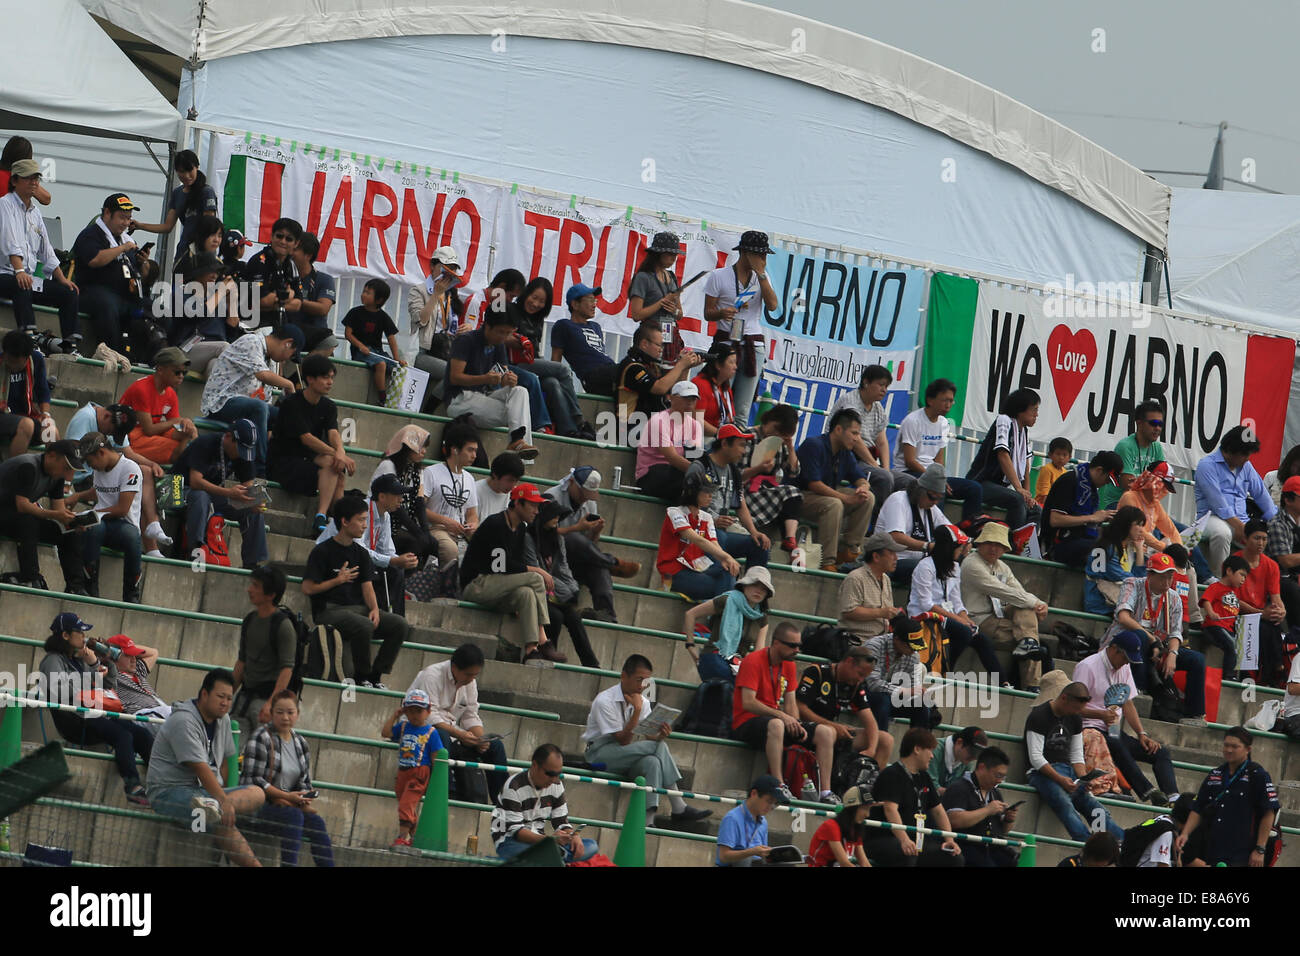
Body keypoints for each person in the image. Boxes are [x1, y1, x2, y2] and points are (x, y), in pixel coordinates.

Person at [146, 668, 266, 867]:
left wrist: (223, 798)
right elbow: (200, 767)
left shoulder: (224, 720)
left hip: (204, 793)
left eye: (229, 698)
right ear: (204, 694)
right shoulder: (183, 720)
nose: (225, 703)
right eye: (220, 696)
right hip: (168, 795)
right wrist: (223, 802)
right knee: (215, 815)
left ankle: (216, 807)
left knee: (257, 793)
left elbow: (228, 761)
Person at [582, 654, 713, 826]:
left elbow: (648, 735)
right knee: (658, 748)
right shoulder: (604, 700)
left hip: (624, 754)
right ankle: (678, 805)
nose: (642, 686)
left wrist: (660, 735)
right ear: (624, 676)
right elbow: (623, 740)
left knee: (653, 762)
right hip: (599, 754)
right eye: (639, 680)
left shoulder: (642, 701)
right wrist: (636, 711)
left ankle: (648, 821)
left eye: (646, 681)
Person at [39, 612, 152, 805]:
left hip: (94, 713)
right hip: (74, 720)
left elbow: (109, 689)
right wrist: (91, 671)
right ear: (65, 635)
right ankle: (133, 786)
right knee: (123, 736)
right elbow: (62, 692)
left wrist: (105, 661)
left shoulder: (81, 660)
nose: (84, 638)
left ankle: (159, 783)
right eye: (80, 633)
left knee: (142, 734)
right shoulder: (52, 661)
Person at [301, 494, 411, 687]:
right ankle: (361, 676)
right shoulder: (322, 551)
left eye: (365, 520)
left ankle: (377, 675)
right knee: (364, 625)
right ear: (344, 521)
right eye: (360, 520)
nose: (365, 525)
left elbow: (367, 586)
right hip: (329, 610)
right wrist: (337, 580)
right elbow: (308, 588)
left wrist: (375, 609)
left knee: (399, 624)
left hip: (357, 608)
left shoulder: (360, 553)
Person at [732, 622, 836, 803]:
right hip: (747, 722)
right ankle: (778, 784)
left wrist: (796, 723)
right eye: (792, 645)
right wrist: (781, 715)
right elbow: (747, 702)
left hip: (773, 721)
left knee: (826, 732)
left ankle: (825, 792)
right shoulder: (753, 661)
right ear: (776, 643)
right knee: (777, 724)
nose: (797, 650)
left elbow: (790, 703)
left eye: (799, 646)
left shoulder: (789, 664)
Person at [1101, 551, 1208, 725]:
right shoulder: (1132, 584)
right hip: (1125, 643)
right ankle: (1139, 690)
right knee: (1138, 637)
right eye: (1162, 578)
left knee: (1197, 659)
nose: (1167, 583)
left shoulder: (1174, 598)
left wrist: (1172, 654)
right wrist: (1152, 639)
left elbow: (1175, 633)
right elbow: (1124, 617)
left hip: (1159, 647)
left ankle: (1195, 713)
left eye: (1170, 577)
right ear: (1149, 575)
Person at [460, 482, 563, 662]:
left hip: (497, 586)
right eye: (532, 505)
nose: (537, 511)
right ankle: (544, 640)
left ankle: (531, 650)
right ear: (517, 503)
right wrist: (537, 569)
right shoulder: (496, 523)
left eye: (538, 506)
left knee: (526, 594)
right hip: (476, 584)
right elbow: (501, 566)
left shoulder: (521, 528)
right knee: (536, 579)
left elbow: (514, 564)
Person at [1073, 630, 1178, 806]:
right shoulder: (1087, 666)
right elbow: (1074, 706)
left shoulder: (1124, 667)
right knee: (1116, 743)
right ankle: (1148, 791)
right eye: (1125, 658)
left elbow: (1127, 703)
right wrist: (1100, 714)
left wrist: (1141, 733)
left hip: (1113, 730)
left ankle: (1174, 796)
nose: (1125, 663)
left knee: (1160, 752)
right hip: (1090, 729)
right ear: (1114, 649)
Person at [406, 643, 510, 804]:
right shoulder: (431, 676)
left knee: (495, 746)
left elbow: (470, 715)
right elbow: (428, 716)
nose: (471, 679)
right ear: (454, 667)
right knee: (439, 736)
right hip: (419, 732)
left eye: (475, 675)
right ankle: (444, 793)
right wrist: (461, 734)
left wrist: (480, 739)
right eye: (469, 674)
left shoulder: (470, 682)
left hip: (452, 733)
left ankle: (505, 803)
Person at [239, 690, 333, 867]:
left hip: (289, 806)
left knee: (317, 823)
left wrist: (304, 798)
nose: (285, 717)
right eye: (280, 712)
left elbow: (304, 782)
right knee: (294, 817)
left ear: (297, 714)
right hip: (259, 806)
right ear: (272, 713)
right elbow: (254, 781)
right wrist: (285, 797)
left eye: (290, 712)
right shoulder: (261, 737)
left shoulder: (301, 743)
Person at [1024, 681, 1124, 842]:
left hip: (1068, 772)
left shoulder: (1075, 717)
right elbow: (1035, 758)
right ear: (1064, 698)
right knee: (1064, 803)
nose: (1078, 712)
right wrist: (1060, 780)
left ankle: (1120, 841)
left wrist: (1085, 779)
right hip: (1042, 773)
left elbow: (1076, 755)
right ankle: (1086, 843)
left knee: (1095, 808)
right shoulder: (1039, 715)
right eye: (1076, 708)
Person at [908, 524, 1006, 685]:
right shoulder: (925, 567)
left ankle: (1003, 682)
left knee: (982, 639)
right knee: (963, 632)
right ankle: (944, 671)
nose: (962, 550)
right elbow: (926, 604)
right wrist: (958, 620)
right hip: (925, 617)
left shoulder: (954, 567)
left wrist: (965, 617)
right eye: (959, 547)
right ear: (948, 547)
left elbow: (956, 600)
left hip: (946, 615)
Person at [269, 353, 354, 536]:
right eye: (325, 377)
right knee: (335, 464)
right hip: (284, 461)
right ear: (310, 379)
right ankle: (335, 520)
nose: (330, 382)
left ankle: (325, 517)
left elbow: (333, 432)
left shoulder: (329, 406)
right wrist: (337, 454)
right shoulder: (292, 403)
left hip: (308, 458)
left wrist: (340, 451)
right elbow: (306, 438)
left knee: (336, 465)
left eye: (331, 377)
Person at [701, 230, 780, 422]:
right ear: (745, 253)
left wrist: (761, 274)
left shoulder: (762, 278)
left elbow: (773, 306)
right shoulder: (719, 276)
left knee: (742, 409)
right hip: (727, 342)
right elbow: (707, 313)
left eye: (764, 254)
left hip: (754, 345)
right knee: (720, 401)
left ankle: (737, 445)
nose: (763, 258)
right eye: (759, 254)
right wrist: (721, 313)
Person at [199, 325, 304, 468]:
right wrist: (289, 384)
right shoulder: (251, 341)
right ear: (288, 343)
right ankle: (259, 467)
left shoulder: (270, 359)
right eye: (291, 355)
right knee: (259, 408)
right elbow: (262, 375)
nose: (286, 360)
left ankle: (283, 464)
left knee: (286, 416)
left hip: (246, 406)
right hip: (221, 403)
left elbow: (265, 398)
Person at [544, 465, 639, 623]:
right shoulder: (552, 497)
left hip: (572, 560)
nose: (585, 498)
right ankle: (612, 562)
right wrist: (576, 528)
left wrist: (595, 532)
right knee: (572, 538)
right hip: (550, 557)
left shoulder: (589, 504)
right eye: (583, 493)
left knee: (597, 564)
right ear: (572, 482)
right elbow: (543, 534)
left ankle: (606, 612)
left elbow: (588, 545)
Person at [1175, 727, 1280, 867]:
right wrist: (1185, 834)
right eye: (1226, 745)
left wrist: (1260, 849)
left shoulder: (1258, 775)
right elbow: (1198, 807)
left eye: (1235, 746)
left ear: (1247, 749)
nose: (1229, 750)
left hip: (1243, 851)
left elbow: (1269, 813)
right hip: (1214, 848)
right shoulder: (1215, 774)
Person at [171, 419, 268, 569]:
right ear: (228, 436)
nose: (241, 453)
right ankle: (196, 551)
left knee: (252, 508)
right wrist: (229, 493)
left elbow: (249, 485)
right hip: (176, 489)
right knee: (200, 496)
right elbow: (195, 481)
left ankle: (252, 562)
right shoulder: (206, 443)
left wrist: (257, 502)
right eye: (239, 448)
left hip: (209, 495)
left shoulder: (243, 454)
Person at [444, 307, 538, 460]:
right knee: (517, 414)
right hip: (459, 400)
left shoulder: (499, 344)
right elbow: (455, 377)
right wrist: (485, 378)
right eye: (501, 332)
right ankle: (518, 451)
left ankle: (517, 441)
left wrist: (508, 379)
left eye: (508, 333)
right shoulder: (466, 340)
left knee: (520, 391)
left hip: (483, 396)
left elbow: (504, 374)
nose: (504, 337)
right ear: (487, 326)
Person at [316, 476, 419, 616]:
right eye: (397, 495)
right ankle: (380, 616)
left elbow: (387, 550)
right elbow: (360, 550)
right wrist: (392, 561)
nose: (401, 499)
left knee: (396, 570)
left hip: (354, 556)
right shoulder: (361, 511)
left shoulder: (386, 516)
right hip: (332, 556)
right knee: (384, 570)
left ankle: (395, 617)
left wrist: (402, 560)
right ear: (382, 497)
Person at [0, 158, 79, 336]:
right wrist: (19, 271)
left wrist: (62, 279)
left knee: (68, 293)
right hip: (4, 274)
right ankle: (29, 337)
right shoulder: (4, 205)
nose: (34, 182)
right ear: (14, 181)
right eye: (28, 178)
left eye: (36, 178)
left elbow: (47, 250)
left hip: (26, 279)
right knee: (22, 285)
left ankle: (70, 344)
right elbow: (9, 242)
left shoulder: (35, 212)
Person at [864, 727, 964, 867]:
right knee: (908, 854)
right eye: (930, 751)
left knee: (953, 858)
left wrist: (949, 839)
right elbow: (890, 810)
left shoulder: (924, 776)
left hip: (915, 842)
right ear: (917, 749)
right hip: (885, 839)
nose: (932, 756)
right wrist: (903, 839)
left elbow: (938, 811)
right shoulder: (892, 774)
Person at [509, 276, 594, 440]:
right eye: (534, 298)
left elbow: (536, 349)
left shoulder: (537, 319)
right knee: (562, 369)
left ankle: (568, 430)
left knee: (552, 383)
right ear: (526, 294)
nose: (535, 304)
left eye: (541, 301)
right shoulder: (512, 311)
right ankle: (579, 420)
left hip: (530, 362)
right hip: (514, 362)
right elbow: (501, 339)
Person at [792, 408, 875, 572]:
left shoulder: (845, 452)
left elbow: (859, 477)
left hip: (825, 496)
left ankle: (850, 550)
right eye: (854, 433)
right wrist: (845, 498)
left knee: (868, 497)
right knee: (834, 503)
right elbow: (813, 484)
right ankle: (827, 560)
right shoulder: (813, 445)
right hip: (799, 497)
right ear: (838, 429)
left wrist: (863, 488)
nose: (858, 439)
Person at [0, 439, 88, 592]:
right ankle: (29, 576)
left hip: (17, 518)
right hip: (7, 513)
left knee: (69, 533)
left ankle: (76, 586)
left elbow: (58, 508)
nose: (67, 474)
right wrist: (57, 514)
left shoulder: (57, 476)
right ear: (52, 455)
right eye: (66, 467)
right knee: (28, 521)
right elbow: (22, 505)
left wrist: (71, 522)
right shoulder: (28, 466)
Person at [960, 522, 1050, 669]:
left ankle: (1029, 643)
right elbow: (1001, 590)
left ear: (1004, 549)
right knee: (1033, 642)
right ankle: (1032, 685)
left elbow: (1019, 592)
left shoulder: (1002, 566)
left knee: (1026, 612)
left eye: (999, 545)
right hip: (978, 620)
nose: (994, 548)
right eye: (990, 543)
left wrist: (1037, 604)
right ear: (981, 543)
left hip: (999, 616)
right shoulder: (972, 564)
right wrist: (1037, 603)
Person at [1194, 424, 1276, 585]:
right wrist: (1240, 526)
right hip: (1209, 519)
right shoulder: (1206, 465)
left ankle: (1260, 588)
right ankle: (1221, 581)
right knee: (1222, 533)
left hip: (1241, 521)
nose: (1247, 458)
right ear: (1230, 450)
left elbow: (1262, 495)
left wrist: (1276, 522)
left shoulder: (1246, 466)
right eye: (1244, 454)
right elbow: (1218, 503)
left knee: (1269, 537)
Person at [490, 743, 598, 862]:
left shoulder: (556, 784)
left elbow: (561, 822)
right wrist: (550, 841)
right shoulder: (513, 786)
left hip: (541, 841)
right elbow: (517, 832)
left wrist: (573, 835)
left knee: (591, 845)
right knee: (536, 853)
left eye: (558, 774)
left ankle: (555, 856)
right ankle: (556, 856)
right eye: (550, 774)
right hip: (509, 840)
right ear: (535, 765)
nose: (554, 779)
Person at [685, 423, 771, 570]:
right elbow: (688, 506)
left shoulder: (734, 471)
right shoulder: (700, 467)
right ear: (725, 443)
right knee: (721, 538)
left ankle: (751, 587)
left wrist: (754, 532)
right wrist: (713, 521)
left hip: (720, 534)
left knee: (760, 545)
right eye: (741, 445)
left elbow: (740, 503)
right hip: (699, 534)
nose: (744, 451)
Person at [794, 643, 894, 769]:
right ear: (849, 661)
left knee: (886, 740)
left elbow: (870, 721)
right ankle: (825, 787)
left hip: (834, 730)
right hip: (809, 729)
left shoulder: (855, 684)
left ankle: (869, 786)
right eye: (860, 674)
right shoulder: (817, 672)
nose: (861, 680)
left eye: (864, 677)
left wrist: (871, 749)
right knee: (828, 732)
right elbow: (799, 706)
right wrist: (832, 726)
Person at [896, 378, 984, 520]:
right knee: (938, 488)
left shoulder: (943, 423)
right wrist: (937, 479)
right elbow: (909, 461)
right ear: (930, 400)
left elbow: (939, 461)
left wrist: (940, 477)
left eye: (951, 401)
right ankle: (936, 534)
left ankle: (970, 530)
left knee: (974, 488)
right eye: (945, 400)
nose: (948, 405)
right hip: (910, 473)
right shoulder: (913, 421)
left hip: (932, 473)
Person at [526, 499, 599, 667]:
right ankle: (548, 657)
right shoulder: (529, 538)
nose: (557, 518)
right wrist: (566, 592)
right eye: (554, 515)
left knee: (574, 618)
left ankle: (592, 664)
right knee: (556, 616)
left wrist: (573, 589)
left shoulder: (557, 539)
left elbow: (564, 568)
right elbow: (537, 572)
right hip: (537, 591)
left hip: (555, 593)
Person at [71, 193, 146, 352]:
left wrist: (143, 261)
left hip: (124, 296)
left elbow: (142, 274)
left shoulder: (126, 240)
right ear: (107, 213)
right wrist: (122, 249)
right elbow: (95, 259)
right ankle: (112, 352)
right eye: (122, 218)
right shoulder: (91, 235)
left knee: (154, 309)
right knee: (107, 305)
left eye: (128, 218)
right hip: (92, 292)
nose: (126, 223)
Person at [76, 433, 143, 603]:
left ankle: (131, 594)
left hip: (123, 525)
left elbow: (122, 509)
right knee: (94, 528)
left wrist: (92, 515)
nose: (91, 467)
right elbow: (99, 491)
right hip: (103, 523)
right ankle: (89, 588)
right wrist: (76, 497)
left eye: (91, 462)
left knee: (132, 537)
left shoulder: (130, 468)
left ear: (101, 453)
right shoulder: (100, 468)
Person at [231, 565, 296, 737]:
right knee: (232, 752)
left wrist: (271, 704)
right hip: (244, 697)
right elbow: (242, 661)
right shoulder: (250, 620)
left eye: (256, 586)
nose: (249, 589)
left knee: (264, 753)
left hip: (266, 700)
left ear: (271, 595)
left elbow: (286, 669)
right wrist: (228, 695)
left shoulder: (283, 626)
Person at [655, 471, 741, 601]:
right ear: (692, 492)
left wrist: (725, 559)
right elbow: (697, 539)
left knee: (729, 570)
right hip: (674, 572)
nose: (710, 496)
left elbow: (714, 543)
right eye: (706, 492)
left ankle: (718, 617)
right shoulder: (674, 513)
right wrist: (727, 556)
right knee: (719, 587)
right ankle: (718, 617)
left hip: (697, 567)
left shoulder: (706, 518)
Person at [614, 320, 702, 444]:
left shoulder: (650, 366)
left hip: (652, 424)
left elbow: (676, 390)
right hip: (630, 428)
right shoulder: (632, 367)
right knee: (675, 440)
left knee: (691, 436)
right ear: (644, 344)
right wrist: (681, 364)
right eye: (659, 345)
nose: (661, 350)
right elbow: (659, 388)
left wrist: (686, 367)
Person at [966, 387, 1042, 531]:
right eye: (1034, 410)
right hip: (981, 483)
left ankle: (1028, 546)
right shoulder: (1004, 421)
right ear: (1020, 409)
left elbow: (1025, 465)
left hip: (1000, 487)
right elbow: (1003, 454)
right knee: (1017, 499)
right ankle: (1011, 544)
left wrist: (1028, 494)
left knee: (1035, 509)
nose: (1036, 415)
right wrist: (1019, 489)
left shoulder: (1024, 431)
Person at [825, 364, 899, 506]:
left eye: (887, 386)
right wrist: (876, 466)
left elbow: (882, 442)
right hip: (846, 456)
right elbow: (855, 440)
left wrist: (886, 468)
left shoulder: (878, 408)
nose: (884, 390)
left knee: (908, 482)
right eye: (881, 385)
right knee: (884, 478)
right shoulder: (851, 401)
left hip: (867, 459)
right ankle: (876, 524)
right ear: (866, 382)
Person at [420, 421, 479, 594]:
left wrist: (473, 525)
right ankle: (449, 592)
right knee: (451, 550)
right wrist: (446, 522)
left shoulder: (469, 478)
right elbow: (419, 508)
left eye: (475, 450)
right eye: (470, 450)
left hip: (460, 531)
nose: (474, 455)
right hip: (436, 529)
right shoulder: (431, 472)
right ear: (454, 450)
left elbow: (472, 514)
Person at [684, 567, 774, 680]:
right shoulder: (727, 600)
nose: (759, 591)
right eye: (754, 585)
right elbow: (690, 614)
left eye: (764, 588)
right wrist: (690, 646)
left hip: (736, 665)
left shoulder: (762, 617)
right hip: (714, 656)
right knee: (733, 683)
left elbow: (758, 653)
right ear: (745, 585)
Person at [382, 688, 444, 848]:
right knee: (406, 804)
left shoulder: (432, 732)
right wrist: (395, 716)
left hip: (419, 772)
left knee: (406, 805)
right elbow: (386, 733)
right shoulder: (403, 726)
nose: (414, 715)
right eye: (410, 711)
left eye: (419, 711)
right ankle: (416, 838)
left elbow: (436, 756)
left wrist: (434, 778)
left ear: (428, 711)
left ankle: (402, 837)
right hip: (403, 771)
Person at [406, 246, 468, 404]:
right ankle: (429, 409)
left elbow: (448, 328)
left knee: (468, 371)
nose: (448, 273)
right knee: (453, 373)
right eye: (444, 267)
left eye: (452, 269)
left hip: (445, 352)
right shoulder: (418, 290)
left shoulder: (451, 295)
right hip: (423, 352)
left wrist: (465, 330)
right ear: (432, 266)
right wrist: (435, 295)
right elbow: (420, 320)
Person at [1039, 451, 1123, 567]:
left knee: (1114, 546)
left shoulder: (1091, 489)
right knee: (1101, 550)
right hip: (1058, 544)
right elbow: (1055, 520)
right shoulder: (1069, 481)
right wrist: (1092, 518)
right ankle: (1104, 582)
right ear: (1099, 470)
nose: (1106, 484)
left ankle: (1116, 579)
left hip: (1080, 540)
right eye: (1108, 480)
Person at [940, 745, 1019, 867]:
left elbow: (1003, 830)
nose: (1000, 781)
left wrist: (1008, 819)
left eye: (1003, 777)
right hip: (966, 846)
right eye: (998, 775)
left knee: (1017, 861)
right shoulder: (959, 788)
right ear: (981, 767)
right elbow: (954, 820)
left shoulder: (995, 793)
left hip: (992, 848)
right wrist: (987, 810)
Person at [738, 403, 803, 552]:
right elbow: (736, 476)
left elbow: (794, 472)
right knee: (789, 492)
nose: (777, 435)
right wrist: (759, 468)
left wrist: (790, 447)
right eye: (776, 430)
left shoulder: (780, 444)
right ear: (770, 422)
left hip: (766, 490)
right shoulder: (748, 437)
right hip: (746, 490)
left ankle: (790, 538)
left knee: (794, 493)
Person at [118, 347, 198, 466]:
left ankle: (185, 473)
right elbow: (149, 430)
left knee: (188, 434)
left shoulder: (170, 393)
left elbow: (175, 425)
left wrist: (188, 427)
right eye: (177, 372)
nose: (181, 376)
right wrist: (178, 421)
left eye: (184, 372)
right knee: (178, 448)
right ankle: (180, 475)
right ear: (160, 369)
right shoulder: (142, 389)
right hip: (128, 435)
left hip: (149, 432)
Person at [1235, 517, 1289, 686]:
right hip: (1237, 613)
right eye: (1256, 538)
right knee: (1264, 627)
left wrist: (1281, 611)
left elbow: (1276, 597)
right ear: (1246, 539)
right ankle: (1275, 670)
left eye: (1264, 539)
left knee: (1272, 623)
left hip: (1260, 616)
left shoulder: (1271, 565)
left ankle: (1271, 673)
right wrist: (1261, 613)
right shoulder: (1234, 562)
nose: (1261, 543)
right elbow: (1233, 601)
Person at [878, 463, 953, 583]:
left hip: (920, 560)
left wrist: (964, 540)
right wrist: (926, 546)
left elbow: (951, 530)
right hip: (893, 560)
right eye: (932, 497)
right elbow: (895, 537)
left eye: (939, 499)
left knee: (952, 568)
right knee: (928, 569)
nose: (935, 502)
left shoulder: (931, 508)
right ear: (920, 490)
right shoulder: (898, 500)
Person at [129, 149, 218, 250]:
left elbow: (209, 226)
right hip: (183, 251)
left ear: (197, 167)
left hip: (201, 252)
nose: (187, 176)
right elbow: (167, 226)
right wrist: (140, 225)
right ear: (176, 171)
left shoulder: (207, 192)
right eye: (182, 172)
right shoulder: (177, 193)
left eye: (190, 170)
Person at [863, 615, 940, 731]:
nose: (914, 650)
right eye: (910, 646)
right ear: (897, 640)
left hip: (891, 695)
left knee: (921, 705)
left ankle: (917, 746)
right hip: (863, 693)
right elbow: (873, 684)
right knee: (882, 700)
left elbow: (914, 685)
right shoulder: (874, 647)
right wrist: (906, 691)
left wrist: (920, 692)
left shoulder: (913, 655)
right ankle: (881, 741)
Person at [373, 425, 434, 568]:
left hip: (404, 522)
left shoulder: (416, 469)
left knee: (431, 543)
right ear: (409, 447)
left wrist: (425, 531)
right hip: (384, 518)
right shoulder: (388, 466)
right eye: (421, 446)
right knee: (415, 543)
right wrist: (418, 533)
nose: (424, 451)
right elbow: (393, 504)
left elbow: (419, 502)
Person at [636, 379, 704, 501]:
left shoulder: (695, 425)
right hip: (650, 474)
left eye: (693, 399)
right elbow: (671, 457)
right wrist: (702, 474)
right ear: (672, 398)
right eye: (686, 398)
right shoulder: (659, 420)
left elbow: (693, 455)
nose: (690, 403)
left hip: (674, 472)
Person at [839, 531, 906, 645]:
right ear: (876, 557)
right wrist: (882, 612)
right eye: (891, 553)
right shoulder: (855, 578)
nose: (896, 558)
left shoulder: (886, 579)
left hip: (880, 642)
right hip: (857, 641)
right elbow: (848, 611)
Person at [343, 278, 405, 397]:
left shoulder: (383, 316)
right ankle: (382, 397)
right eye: (363, 291)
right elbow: (348, 334)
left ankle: (396, 397)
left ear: (379, 300)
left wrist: (397, 359)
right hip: (360, 352)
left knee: (396, 368)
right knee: (381, 364)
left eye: (368, 293)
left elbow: (391, 339)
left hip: (377, 352)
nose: (363, 295)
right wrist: (360, 346)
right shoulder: (355, 312)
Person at [1083, 505, 1149, 616]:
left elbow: (1139, 577)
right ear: (1126, 524)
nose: (1141, 530)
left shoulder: (1129, 549)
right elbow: (1127, 578)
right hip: (1100, 603)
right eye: (1138, 524)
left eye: (1142, 525)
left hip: (1118, 601)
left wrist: (1139, 550)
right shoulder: (1104, 548)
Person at [552, 282, 616, 396]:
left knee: (641, 380)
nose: (594, 305)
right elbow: (555, 360)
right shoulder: (563, 325)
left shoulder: (596, 327)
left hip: (610, 372)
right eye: (590, 300)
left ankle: (623, 412)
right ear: (575, 304)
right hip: (592, 376)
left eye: (595, 301)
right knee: (629, 371)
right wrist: (554, 385)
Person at [0, 329, 56, 457]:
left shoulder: (36, 359)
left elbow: (43, 391)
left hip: (25, 414)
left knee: (51, 430)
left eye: (15, 362)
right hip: (3, 415)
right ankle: (12, 472)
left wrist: (45, 414)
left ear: (26, 358)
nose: (11, 364)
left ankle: (51, 472)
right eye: (8, 359)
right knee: (27, 425)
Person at [1102, 400, 1167, 510]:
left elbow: (1160, 485)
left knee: (1182, 528)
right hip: (1116, 504)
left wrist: (1145, 484)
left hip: (1142, 505)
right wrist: (1150, 484)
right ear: (1139, 423)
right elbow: (1128, 486)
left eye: (1160, 424)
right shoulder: (1125, 446)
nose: (1158, 428)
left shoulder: (1157, 448)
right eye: (1153, 423)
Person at [242, 218, 304, 328]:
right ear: (271, 236)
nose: (283, 241)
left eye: (289, 239)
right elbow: (262, 301)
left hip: (278, 322)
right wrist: (289, 295)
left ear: (296, 243)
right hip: (253, 323)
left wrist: (275, 301)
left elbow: (298, 305)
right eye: (279, 236)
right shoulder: (259, 261)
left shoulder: (291, 264)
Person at [715, 774, 781, 866]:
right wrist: (751, 852)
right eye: (769, 801)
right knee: (746, 861)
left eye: (774, 804)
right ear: (754, 794)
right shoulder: (732, 818)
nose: (770, 807)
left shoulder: (763, 822)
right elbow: (723, 856)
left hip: (756, 863)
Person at [1118, 461, 1182, 554]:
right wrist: (1166, 549)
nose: (1164, 491)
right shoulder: (1130, 497)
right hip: (1126, 552)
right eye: (1162, 485)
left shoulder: (1155, 505)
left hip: (1143, 552)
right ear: (1151, 480)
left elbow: (1171, 531)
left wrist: (1179, 550)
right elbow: (1139, 532)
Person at [1200, 555, 1248, 680]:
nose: (1243, 579)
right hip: (1214, 626)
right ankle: (1229, 676)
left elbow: (1239, 606)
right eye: (1241, 575)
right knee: (1232, 645)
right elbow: (1206, 600)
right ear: (1229, 571)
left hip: (1228, 629)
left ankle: (1240, 675)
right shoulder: (1216, 587)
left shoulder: (1235, 592)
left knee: (1238, 646)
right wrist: (1211, 613)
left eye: (1245, 577)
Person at [627, 232, 683, 331]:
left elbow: (680, 314)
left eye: (676, 254)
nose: (674, 258)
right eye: (670, 254)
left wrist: (674, 311)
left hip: (670, 335)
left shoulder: (671, 277)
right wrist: (662, 302)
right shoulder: (643, 277)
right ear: (658, 254)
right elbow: (636, 315)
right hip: (650, 334)